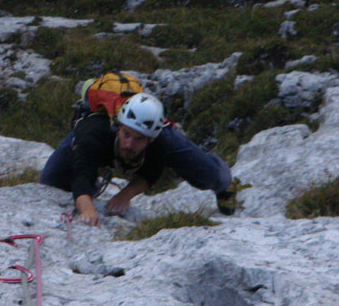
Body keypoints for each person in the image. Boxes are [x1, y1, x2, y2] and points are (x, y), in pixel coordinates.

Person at [40, 92, 236, 226]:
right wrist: (87, 208)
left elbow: (151, 171)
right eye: (126, 134)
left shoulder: (161, 140)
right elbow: (82, 172)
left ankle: (226, 184)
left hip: (158, 139)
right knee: (51, 180)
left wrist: (125, 195)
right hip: (91, 138)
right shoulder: (94, 133)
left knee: (210, 175)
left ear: (150, 139)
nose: (129, 144)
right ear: (119, 127)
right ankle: (94, 185)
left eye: (139, 139)